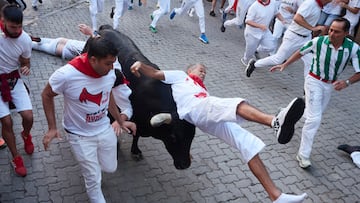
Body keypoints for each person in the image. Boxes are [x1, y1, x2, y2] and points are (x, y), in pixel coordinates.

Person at [130, 61, 307, 203]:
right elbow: (153, 73)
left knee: (246, 143)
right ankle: (274, 121)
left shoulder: (202, 89)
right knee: (233, 104)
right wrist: (140, 65)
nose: (203, 73)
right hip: (196, 109)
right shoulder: (180, 76)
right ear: (190, 69)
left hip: (206, 115)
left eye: (205, 72)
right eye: (200, 70)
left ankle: (276, 196)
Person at [41, 30, 136, 203]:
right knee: (93, 178)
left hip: (103, 128)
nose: (111, 68)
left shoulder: (110, 72)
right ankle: (90, 173)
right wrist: (52, 127)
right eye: (108, 63)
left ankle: (91, 165)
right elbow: (46, 94)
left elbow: (107, 95)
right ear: (93, 59)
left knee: (111, 167)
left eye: (113, 63)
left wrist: (120, 121)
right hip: (79, 135)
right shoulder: (66, 75)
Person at [270, 18, 360, 169]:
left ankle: (283, 114)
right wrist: (285, 64)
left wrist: (347, 82)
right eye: (331, 29)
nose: (331, 33)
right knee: (314, 118)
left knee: (310, 113)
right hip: (313, 81)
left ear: (346, 33)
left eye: (337, 31)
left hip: (330, 85)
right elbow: (300, 52)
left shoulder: (354, 48)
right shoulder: (319, 41)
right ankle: (303, 155)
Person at [245, 0, 331, 78]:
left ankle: (307, 88)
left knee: (310, 61)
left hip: (305, 38)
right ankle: (254, 64)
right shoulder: (310, 3)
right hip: (293, 37)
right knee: (278, 59)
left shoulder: (318, 6)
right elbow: (297, 18)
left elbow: (298, 13)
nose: (332, 1)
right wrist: (313, 28)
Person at [0, 4, 34, 177]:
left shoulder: (25, 39)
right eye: (13, 27)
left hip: (13, 80)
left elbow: (25, 62)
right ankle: (16, 157)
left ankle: (26, 134)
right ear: (3, 21)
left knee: (28, 116)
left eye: (20, 26)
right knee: (6, 122)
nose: (17, 30)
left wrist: (26, 68)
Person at [241, 0, 285, 66]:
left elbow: (277, 13)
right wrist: (260, 26)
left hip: (265, 31)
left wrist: (283, 20)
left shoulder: (273, 3)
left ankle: (257, 50)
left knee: (271, 47)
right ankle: (245, 60)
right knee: (249, 53)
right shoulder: (254, 6)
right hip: (252, 33)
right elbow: (248, 21)